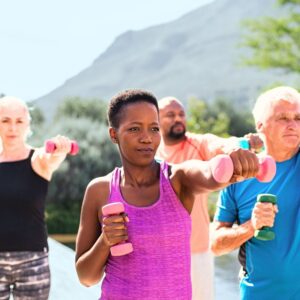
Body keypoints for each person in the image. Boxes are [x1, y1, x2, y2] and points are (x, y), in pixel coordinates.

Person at [75, 89, 259, 300]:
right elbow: (86, 277)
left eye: (154, 128)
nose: (146, 138)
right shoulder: (99, 190)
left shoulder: (177, 179)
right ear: (114, 134)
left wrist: (232, 166)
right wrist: (105, 241)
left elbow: (208, 174)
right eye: (134, 129)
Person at [156, 96, 262, 300]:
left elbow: (220, 144)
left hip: (196, 252)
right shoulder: (150, 152)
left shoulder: (198, 144)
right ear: (157, 121)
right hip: (158, 254)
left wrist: (241, 145)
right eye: (170, 115)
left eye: (181, 114)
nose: (178, 119)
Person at [211, 86, 300, 299]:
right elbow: (216, 244)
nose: (293, 125)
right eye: (283, 118)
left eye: (298, 118)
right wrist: (252, 226)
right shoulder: (239, 175)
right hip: (258, 294)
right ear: (260, 126)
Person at [0, 96, 75, 300]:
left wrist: (59, 150)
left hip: (32, 262)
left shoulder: (37, 160)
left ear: (28, 125)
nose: (12, 128)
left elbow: (51, 158)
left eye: (19, 121)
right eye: (5, 120)